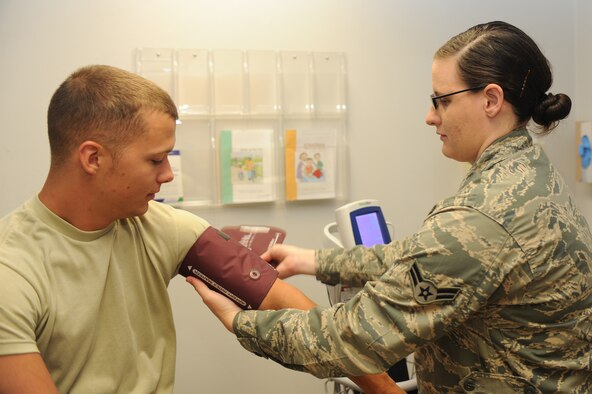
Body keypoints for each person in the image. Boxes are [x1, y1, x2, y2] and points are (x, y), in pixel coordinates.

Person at [189, 21, 592, 393]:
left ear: (490, 100)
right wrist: (313, 260)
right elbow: (419, 261)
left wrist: (240, 321)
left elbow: (352, 339)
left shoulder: (484, 215)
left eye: (441, 100)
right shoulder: (527, 175)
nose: (430, 117)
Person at [0, 65, 401, 393]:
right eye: (156, 161)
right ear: (93, 157)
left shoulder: (159, 226)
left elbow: (281, 300)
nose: (169, 175)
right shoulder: (12, 269)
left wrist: (386, 391)